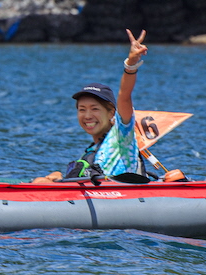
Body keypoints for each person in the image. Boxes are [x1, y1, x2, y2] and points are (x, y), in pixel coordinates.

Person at [32, 29, 180, 183]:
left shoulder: (121, 137)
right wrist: (58, 177)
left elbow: (124, 96)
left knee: (39, 183)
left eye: (95, 109)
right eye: (82, 110)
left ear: (111, 113)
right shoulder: (92, 151)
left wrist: (131, 65)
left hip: (123, 198)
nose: (87, 115)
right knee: (43, 180)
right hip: (99, 198)